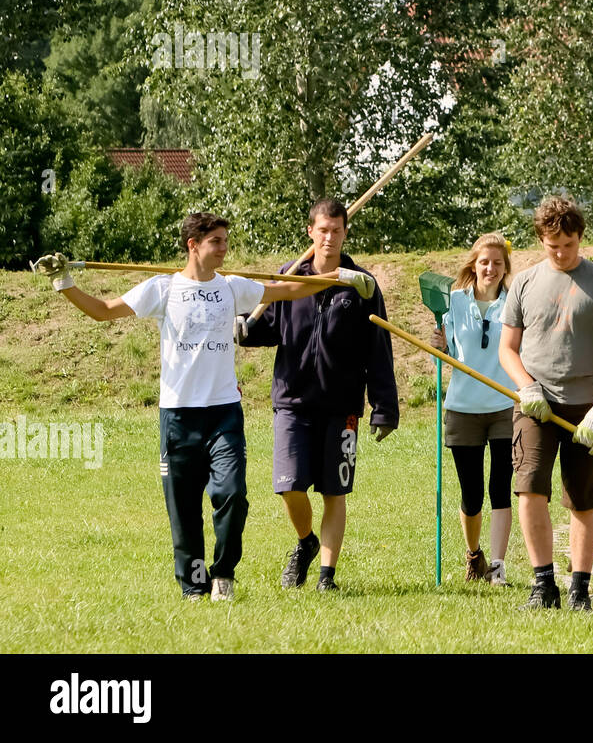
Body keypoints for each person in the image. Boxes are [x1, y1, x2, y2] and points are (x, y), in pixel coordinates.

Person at [32, 212, 368, 600]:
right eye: (217, 242)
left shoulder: (233, 287)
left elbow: (289, 290)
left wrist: (339, 277)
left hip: (224, 412)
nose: (225, 249)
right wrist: (63, 282)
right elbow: (103, 310)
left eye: (226, 241)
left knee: (232, 495)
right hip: (177, 415)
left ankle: (223, 572)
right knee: (184, 509)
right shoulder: (162, 289)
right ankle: (193, 585)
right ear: (194, 245)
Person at [238, 198, 398, 593]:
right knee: (288, 485)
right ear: (310, 232)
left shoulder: (361, 284)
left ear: (345, 232)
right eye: (322, 230)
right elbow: (270, 326)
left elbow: (378, 346)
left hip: (341, 404)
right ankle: (306, 541)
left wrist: (384, 406)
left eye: (336, 230)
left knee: (334, 491)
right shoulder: (289, 277)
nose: (329, 237)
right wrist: (243, 329)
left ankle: (327, 576)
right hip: (292, 399)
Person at [499, 196, 593, 611]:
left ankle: (580, 589)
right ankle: (543, 586)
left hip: (586, 407)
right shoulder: (523, 282)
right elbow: (507, 349)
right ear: (541, 239)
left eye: (568, 245)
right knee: (529, 488)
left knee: (584, 499)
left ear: (580, 238)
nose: (561, 253)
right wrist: (526, 386)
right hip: (535, 405)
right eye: (553, 245)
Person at [430, 232, 514, 585]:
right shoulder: (452, 303)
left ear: (505, 267)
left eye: (497, 263)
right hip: (463, 407)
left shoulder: (514, 304)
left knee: (501, 486)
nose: (490, 269)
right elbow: (448, 351)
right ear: (473, 265)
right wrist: (439, 344)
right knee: (471, 493)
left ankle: (497, 565)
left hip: (506, 406)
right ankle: (474, 554)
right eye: (484, 262)